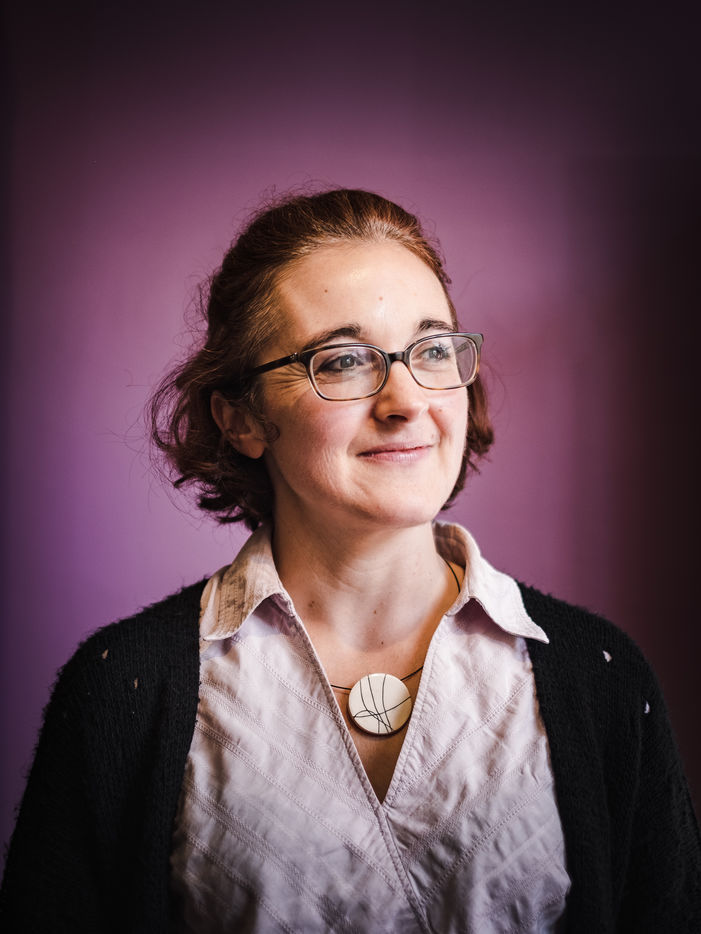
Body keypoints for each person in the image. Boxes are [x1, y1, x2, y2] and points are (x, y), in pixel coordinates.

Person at [1, 188, 699, 933]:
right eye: (342, 361)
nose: (406, 400)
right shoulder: (122, 692)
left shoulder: (602, 677)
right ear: (240, 418)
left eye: (433, 350)